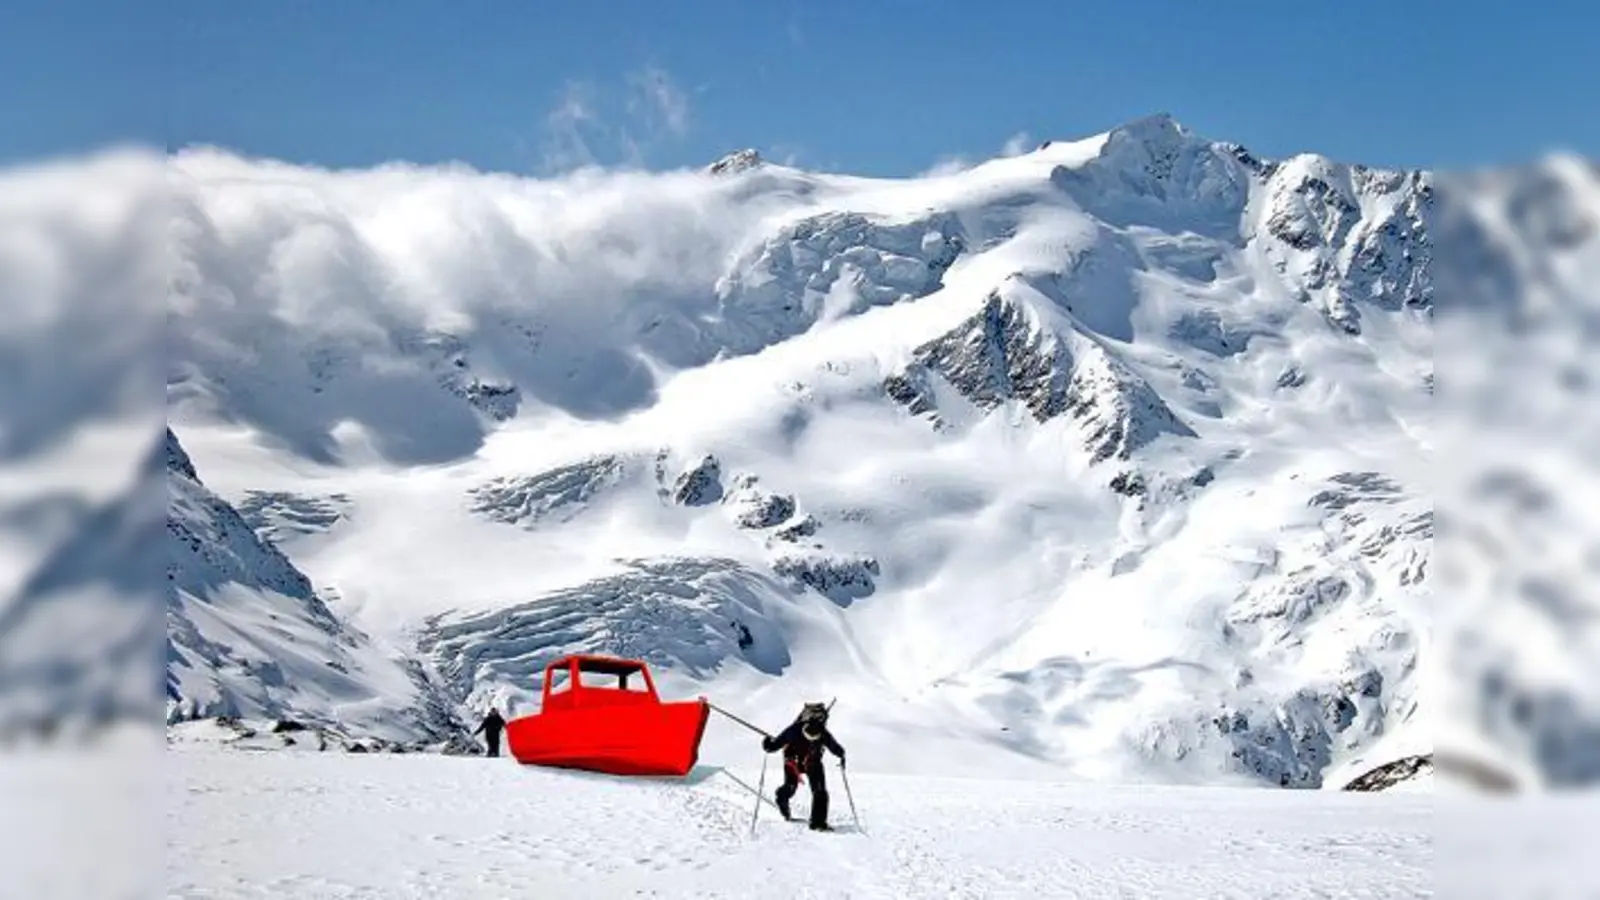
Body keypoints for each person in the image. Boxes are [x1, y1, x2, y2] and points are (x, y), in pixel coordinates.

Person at [762, 701, 846, 831]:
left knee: (820, 791)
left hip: (813, 762)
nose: (811, 739)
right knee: (790, 787)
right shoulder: (793, 730)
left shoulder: (823, 733)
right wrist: (768, 744)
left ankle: (818, 823)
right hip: (793, 761)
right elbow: (776, 744)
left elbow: (833, 745)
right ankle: (781, 797)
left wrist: (841, 754)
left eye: (815, 738)